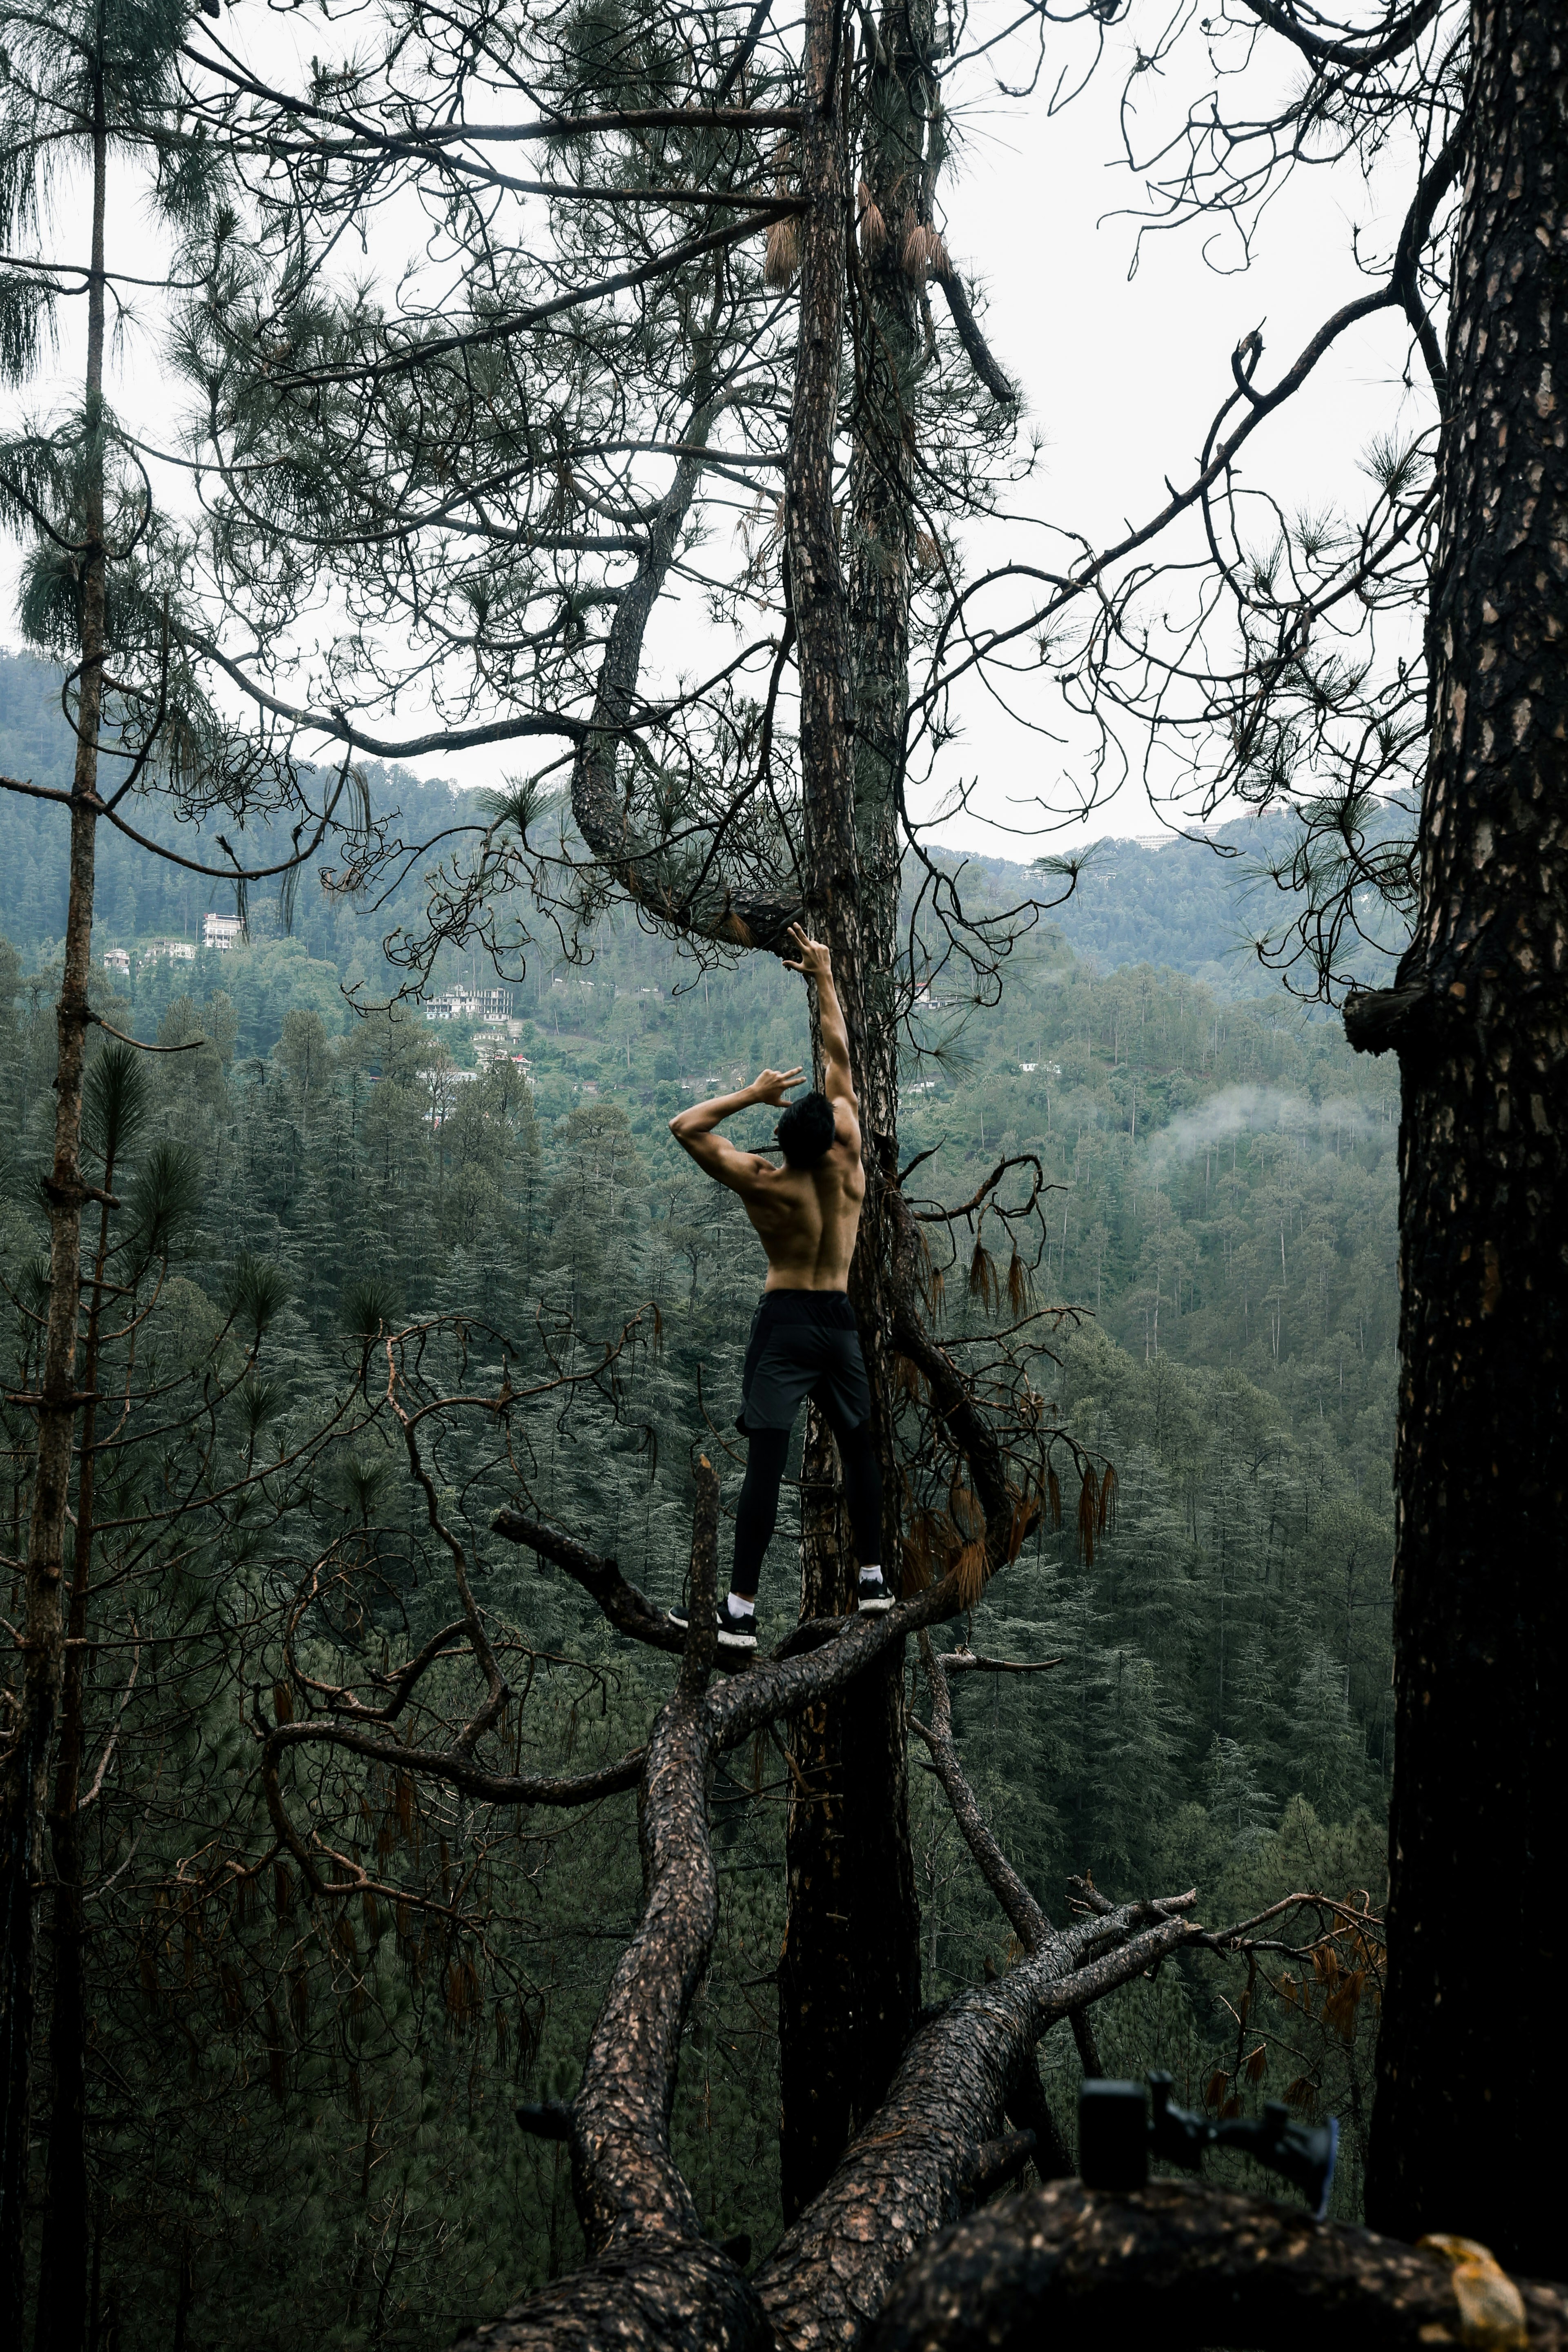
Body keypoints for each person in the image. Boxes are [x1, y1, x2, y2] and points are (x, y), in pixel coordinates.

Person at [666, 924, 891, 1650]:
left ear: (785, 1141)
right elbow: (839, 1057)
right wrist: (823, 975)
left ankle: (740, 1613)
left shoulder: (765, 1183)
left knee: (767, 1460)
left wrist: (753, 1093)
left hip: (786, 1319)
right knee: (859, 1448)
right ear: (830, 1137)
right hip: (839, 1320)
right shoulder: (850, 1157)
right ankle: (873, 1580)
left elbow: (685, 1127)